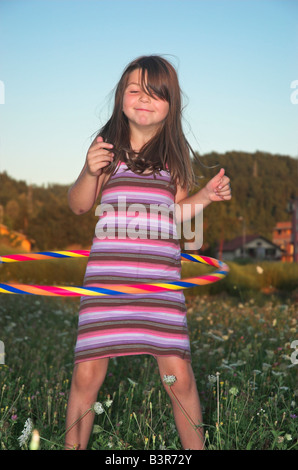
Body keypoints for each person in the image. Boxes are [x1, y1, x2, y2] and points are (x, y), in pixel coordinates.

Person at [65, 55, 231, 450]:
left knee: (179, 378)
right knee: (86, 377)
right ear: (121, 97)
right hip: (107, 283)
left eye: (154, 93)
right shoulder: (107, 150)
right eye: (134, 90)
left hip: (159, 285)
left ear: (171, 104)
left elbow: (175, 214)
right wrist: (89, 172)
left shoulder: (173, 158)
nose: (143, 99)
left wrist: (205, 196)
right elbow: (77, 205)